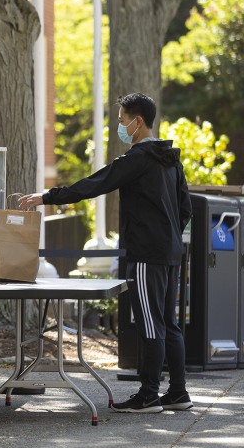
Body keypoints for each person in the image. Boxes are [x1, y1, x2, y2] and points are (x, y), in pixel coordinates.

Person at [19, 92, 193, 413]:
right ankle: (178, 392)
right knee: (168, 322)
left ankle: (150, 394)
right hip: (170, 252)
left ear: (137, 121)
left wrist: (47, 197)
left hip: (145, 254)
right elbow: (186, 208)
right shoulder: (171, 160)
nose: (120, 126)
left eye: (122, 120)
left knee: (150, 324)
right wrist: (166, 234)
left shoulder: (138, 159)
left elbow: (95, 184)